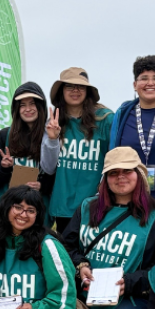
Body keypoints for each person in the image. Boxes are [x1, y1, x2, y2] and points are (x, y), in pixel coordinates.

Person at [62, 147, 155, 309]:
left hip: (131, 299)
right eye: (113, 173)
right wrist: (81, 265)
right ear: (105, 178)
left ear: (139, 175)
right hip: (91, 301)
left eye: (127, 171)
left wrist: (130, 283)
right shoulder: (87, 207)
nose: (120, 177)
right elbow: (65, 247)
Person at [42, 68, 114, 230]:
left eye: (80, 87)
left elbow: (114, 157)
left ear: (87, 91)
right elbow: (48, 167)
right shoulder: (54, 121)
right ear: (61, 91)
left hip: (95, 204)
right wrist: (52, 139)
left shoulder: (105, 119)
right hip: (64, 206)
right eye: (69, 86)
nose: (75, 91)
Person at [109, 55, 155, 208]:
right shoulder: (123, 114)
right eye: (144, 78)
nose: (150, 83)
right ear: (135, 84)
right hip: (129, 205)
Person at [0, 83, 48, 223]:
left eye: (32, 104)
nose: (28, 109)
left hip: (36, 211)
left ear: (40, 106)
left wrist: (42, 185)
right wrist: (4, 168)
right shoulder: (4, 136)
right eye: (22, 105)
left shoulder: (50, 137)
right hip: (6, 209)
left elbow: (57, 174)